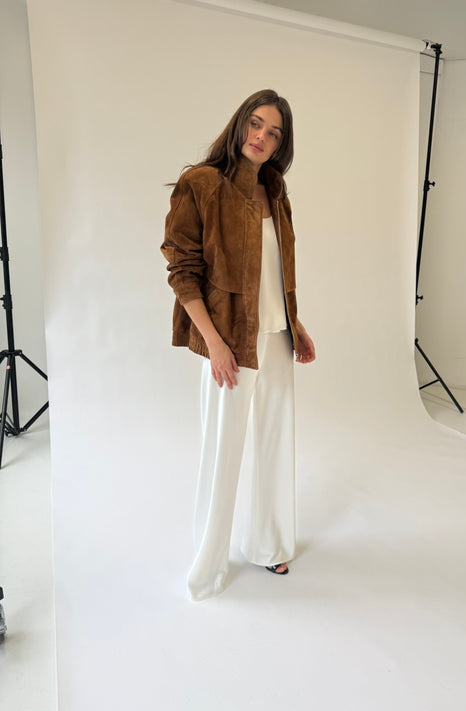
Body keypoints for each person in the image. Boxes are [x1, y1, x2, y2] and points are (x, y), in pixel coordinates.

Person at [161, 89, 315, 602]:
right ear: (239, 123)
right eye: (256, 123)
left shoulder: (275, 190)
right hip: (230, 341)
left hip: (276, 336)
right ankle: (208, 564)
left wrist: (295, 323)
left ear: (281, 144)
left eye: (274, 132)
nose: (262, 137)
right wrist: (215, 343)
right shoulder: (201, 184)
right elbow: (182, 271)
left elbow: (276, 269)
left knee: (275, 442)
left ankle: (269, 544)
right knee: (222, 450)